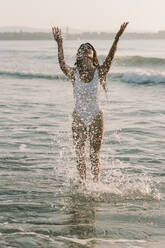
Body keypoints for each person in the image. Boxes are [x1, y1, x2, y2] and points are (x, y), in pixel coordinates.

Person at [52, 22, 128, 182]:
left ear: (93, 54)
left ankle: (95, 184)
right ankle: (83, 184)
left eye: (88, 48)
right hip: (78, 116)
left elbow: (111, 57)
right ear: (78, 55)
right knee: (80, 154)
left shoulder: (99, 72)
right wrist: (60, 44)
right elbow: (61, 64)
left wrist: (117, 38)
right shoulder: (74, 74)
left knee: (94, 155)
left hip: (95, 116)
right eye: (82, 48)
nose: (85, 49)